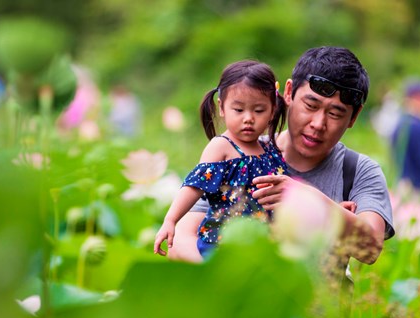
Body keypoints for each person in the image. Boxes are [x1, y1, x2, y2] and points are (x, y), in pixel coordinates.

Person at [168, 47, 394, 268]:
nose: (318, 124)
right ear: (288, 93)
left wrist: (311, 204)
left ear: (354, 117)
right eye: (310, 105)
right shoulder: (240, 154)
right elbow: (179, 238)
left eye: (335, 114)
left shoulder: (359, 171)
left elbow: (371, 248)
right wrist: (221, 280)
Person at [153, 60, 288, 258]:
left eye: (258, 110)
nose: (248, 118)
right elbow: (194, 186)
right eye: (239, 110)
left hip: (263, 246)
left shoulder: (270, 148)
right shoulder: (221, 147)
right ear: (222, 108)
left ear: (272, 110)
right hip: (222, 245)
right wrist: (171, 220)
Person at [390, 79, 420, 192]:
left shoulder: (400, 123)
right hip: (418, 188)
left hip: (402, 184)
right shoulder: (419, 126)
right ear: (415, 100)